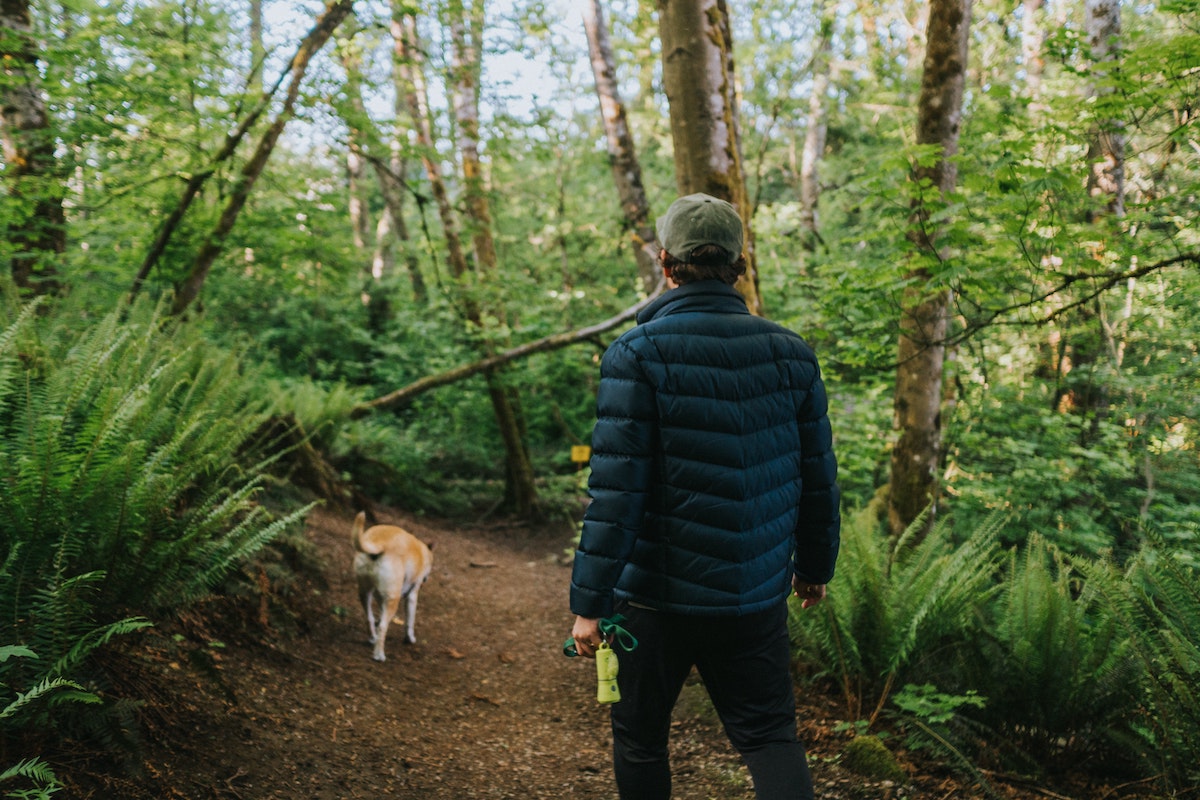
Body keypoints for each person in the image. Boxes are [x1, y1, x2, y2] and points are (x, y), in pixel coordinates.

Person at [568, 193, 840, 800]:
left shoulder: (636, 353)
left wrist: (590, 604)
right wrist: (814, 568)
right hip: (753, 597)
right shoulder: (792, 354)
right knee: (771, 738)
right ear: (738, 265)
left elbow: (616, 494)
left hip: (652, 602)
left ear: (666, 262)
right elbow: (818, 476)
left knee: (641, 740)